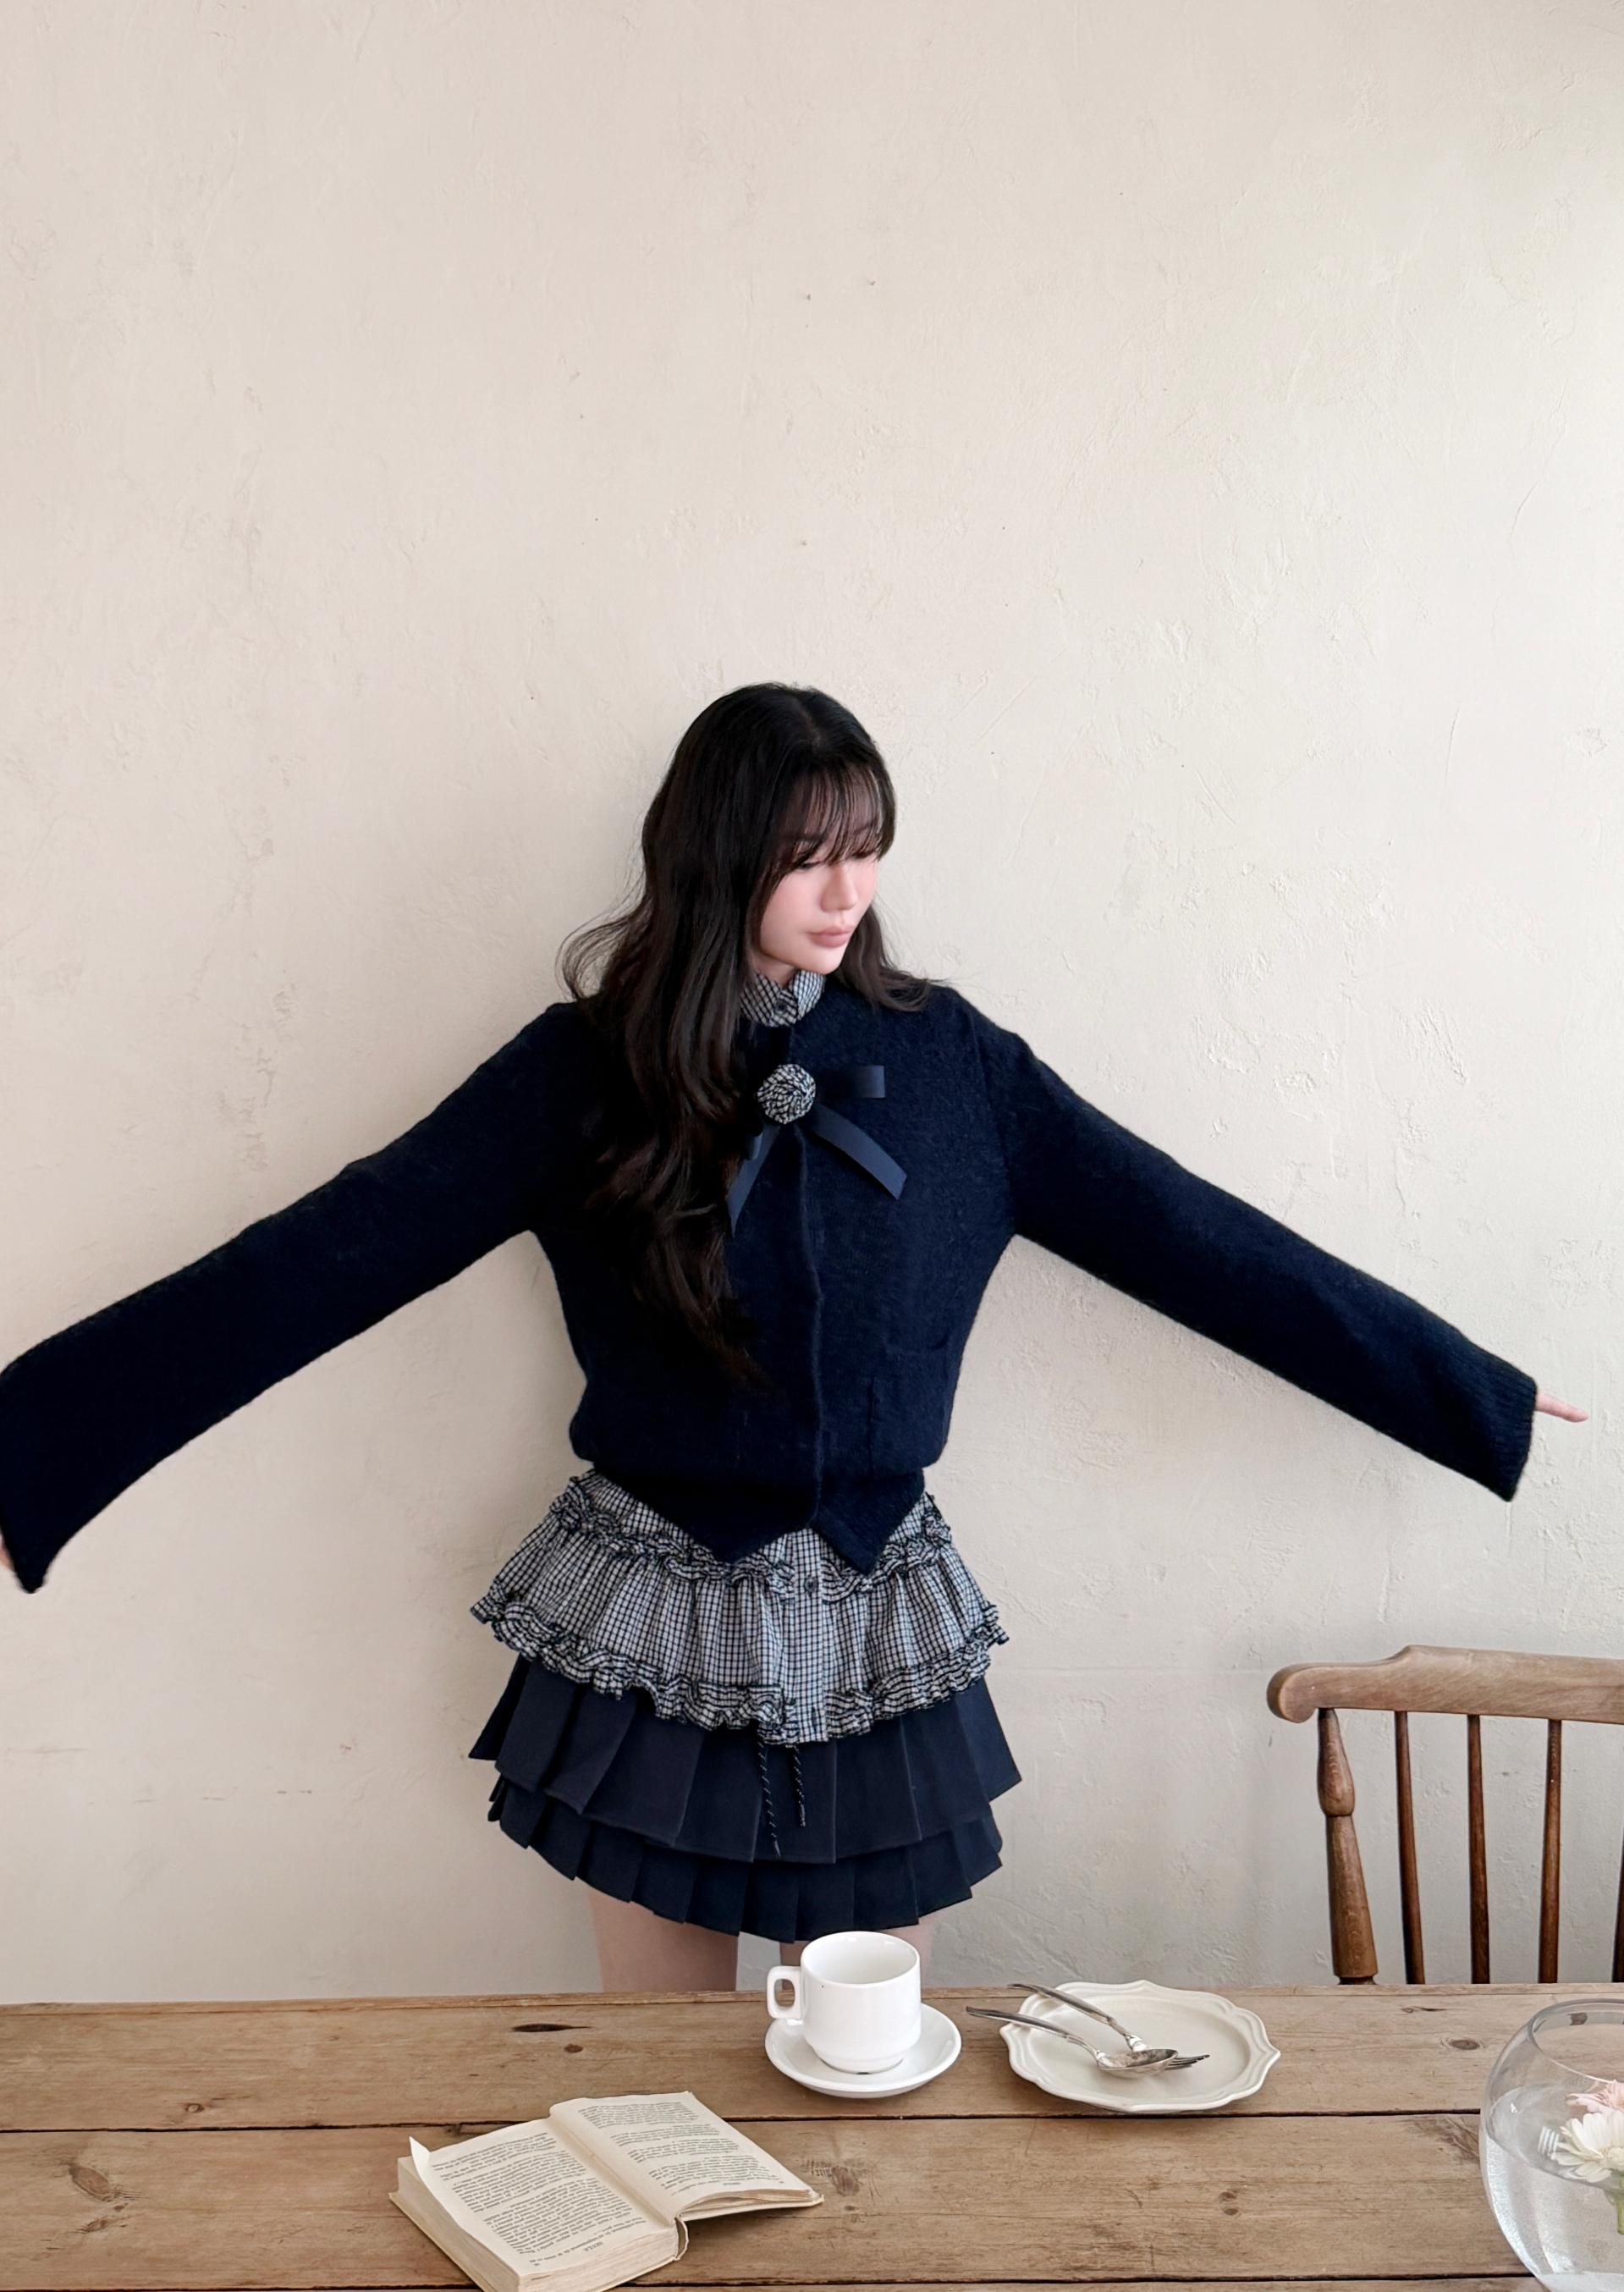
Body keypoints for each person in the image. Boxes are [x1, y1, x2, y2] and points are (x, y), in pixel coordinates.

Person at [0, 682, 1585, 1995]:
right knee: (661, 2076)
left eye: (868, 852)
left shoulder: (958, 1070)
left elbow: (1198, 1240)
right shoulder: (583, 1072)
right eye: (809, 857)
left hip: (879, 1610)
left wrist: (1476, 1394)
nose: (848, 894)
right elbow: (330, 1253)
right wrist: (35, 1441)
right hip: (655, 1610)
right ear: (716, 858)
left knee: (864, 2058)